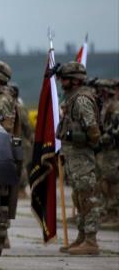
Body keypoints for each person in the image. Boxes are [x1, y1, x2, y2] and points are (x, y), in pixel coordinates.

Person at [56, 62, 102, 255]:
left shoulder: (81, 100)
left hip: (82, 155)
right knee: (78, 197)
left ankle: (91, 240)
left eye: (65, 78)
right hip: (74, 156)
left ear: (75, 80)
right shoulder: (71, 98)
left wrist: (80, 140)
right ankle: (82, 236)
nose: (61, 82)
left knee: (87, 196)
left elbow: (93, 130)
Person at [93, 78, 119, 228]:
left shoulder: (115, 106)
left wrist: (105, 138)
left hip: (113, 150)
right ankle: (108, 212)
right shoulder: (105, 105)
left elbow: (115, 130)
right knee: (104, 181)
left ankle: (114, 213)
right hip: (105, 150)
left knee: (113, 181)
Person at [10, 83, 34, 197]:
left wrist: (31, 138)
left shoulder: (19, 107)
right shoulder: (9, 106)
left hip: (22, 142)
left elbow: (26, 125)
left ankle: (22, 190)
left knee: (21, 166)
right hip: (13, 141)